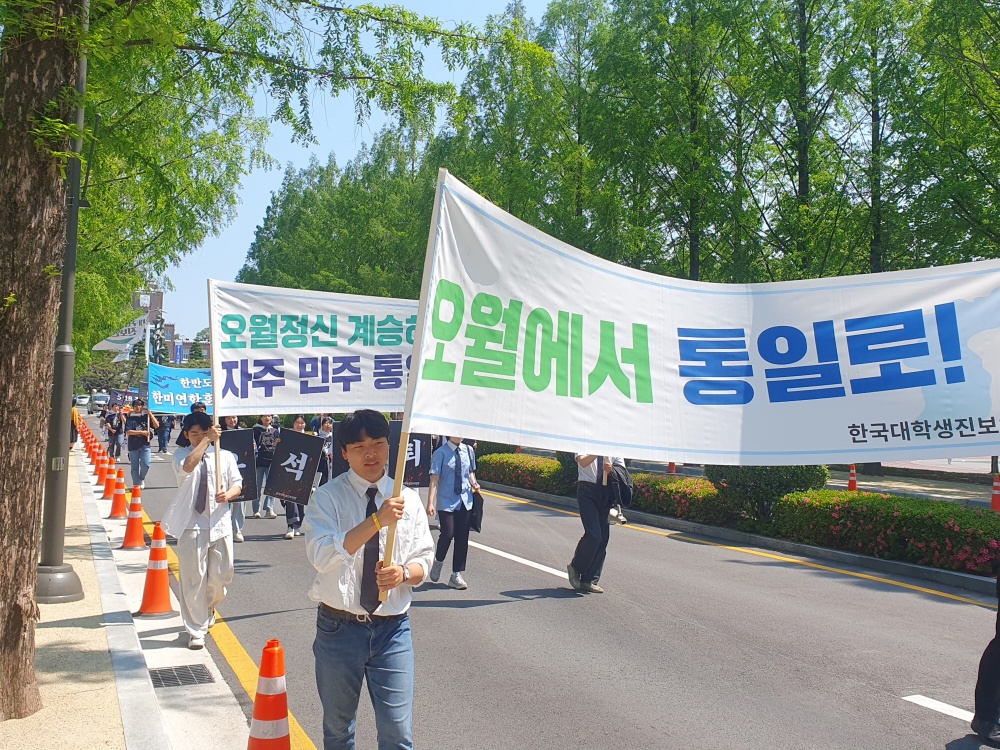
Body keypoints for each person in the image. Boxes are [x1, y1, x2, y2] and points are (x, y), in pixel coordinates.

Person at [302, 409, 433, 750]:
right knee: (339, 729)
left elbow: (424, 559)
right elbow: (321, 556)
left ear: (390, 447)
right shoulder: (327, 498)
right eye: (359, 446)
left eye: (378, 443)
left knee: (397, 733)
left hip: (393, 630)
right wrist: (377, 520)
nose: (371, 453)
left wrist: (404, 573)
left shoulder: (409, 498)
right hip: (338, 629)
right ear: (343, 452)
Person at [160, 412, 243, 650]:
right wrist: (207, 440)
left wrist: (228, 494)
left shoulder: (225, 457)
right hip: (191, 525)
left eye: (203, 432)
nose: (198, 437)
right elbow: (188, 467)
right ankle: (196, 630)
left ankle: (209, 606)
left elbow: (237, 483)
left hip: (219, 523)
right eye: (194, 434)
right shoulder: (181, 455)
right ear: (186, 435)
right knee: (193, 579)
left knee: (221, 576)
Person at [566, 454, 625, 594]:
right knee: (594, 535)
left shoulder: (612, 443)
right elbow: (582, 461)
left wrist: (612, 470)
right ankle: (576, 567)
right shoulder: (586, 440)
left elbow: (621, 469)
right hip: (587, 489)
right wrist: (596, 451)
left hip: (606, 492)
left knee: (603, 538)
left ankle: (590, 580)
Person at [427, 436, 480, 590]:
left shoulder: (468, 450)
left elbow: (470, 472)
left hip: (465, 499)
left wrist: (474, 483)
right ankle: (438, 561)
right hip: (446, 500)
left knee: (462, 538)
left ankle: (456, 574)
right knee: (447, 533)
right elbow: (434, 479)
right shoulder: (440, 453)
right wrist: (430, 503)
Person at [220, 415, 246, 542]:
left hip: (241, 470)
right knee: (224, 500)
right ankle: (224, 529)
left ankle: (237, 529)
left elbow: (254, 450)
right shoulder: (219, 432)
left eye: (234, 417)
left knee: (239, 501)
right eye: (229, 418)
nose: (232, 420)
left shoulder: (243, 432)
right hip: (223, 472)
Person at [282, 415, 309, 539]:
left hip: (304, 473)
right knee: (289, 498)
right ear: (293, 424)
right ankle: (290, 525)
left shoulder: (311, 437)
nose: (300, 425)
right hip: (289, 472)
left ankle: (297, 525)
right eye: (297, 423)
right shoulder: (287, 437)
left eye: (302, 423)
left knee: (300, 500)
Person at [124, 399, 159, 489]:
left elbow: (156, 425)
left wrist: (151, 415)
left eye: (139, 405)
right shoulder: (130, 417)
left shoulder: (146, 416)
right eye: (136, 405)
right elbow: (128, 431)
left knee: (146, 464)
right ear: (133, 407)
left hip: (145, 445)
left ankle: (142, 478)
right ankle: (136, 483)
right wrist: (142, 432)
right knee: (134, 466)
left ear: (142, 406)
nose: (138, 407)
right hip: (133, 445)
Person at [251, 414, 279, 519]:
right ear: (260, 417)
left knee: (271, 486)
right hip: (259, 462)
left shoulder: (275, 431)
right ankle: (256, 510)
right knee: (257, 486)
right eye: (264, 416)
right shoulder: (256, 430)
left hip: (272, 460)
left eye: (269, 416)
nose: (267, 418)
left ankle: (269, 509)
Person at [317, 416, 334, 487]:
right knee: (322, 481)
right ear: (322, 425)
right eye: (326, 423)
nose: (328, 425)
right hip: (322, 462)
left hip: (332, 461)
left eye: (330, 423)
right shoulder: (319, 437)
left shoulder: (334, 436)